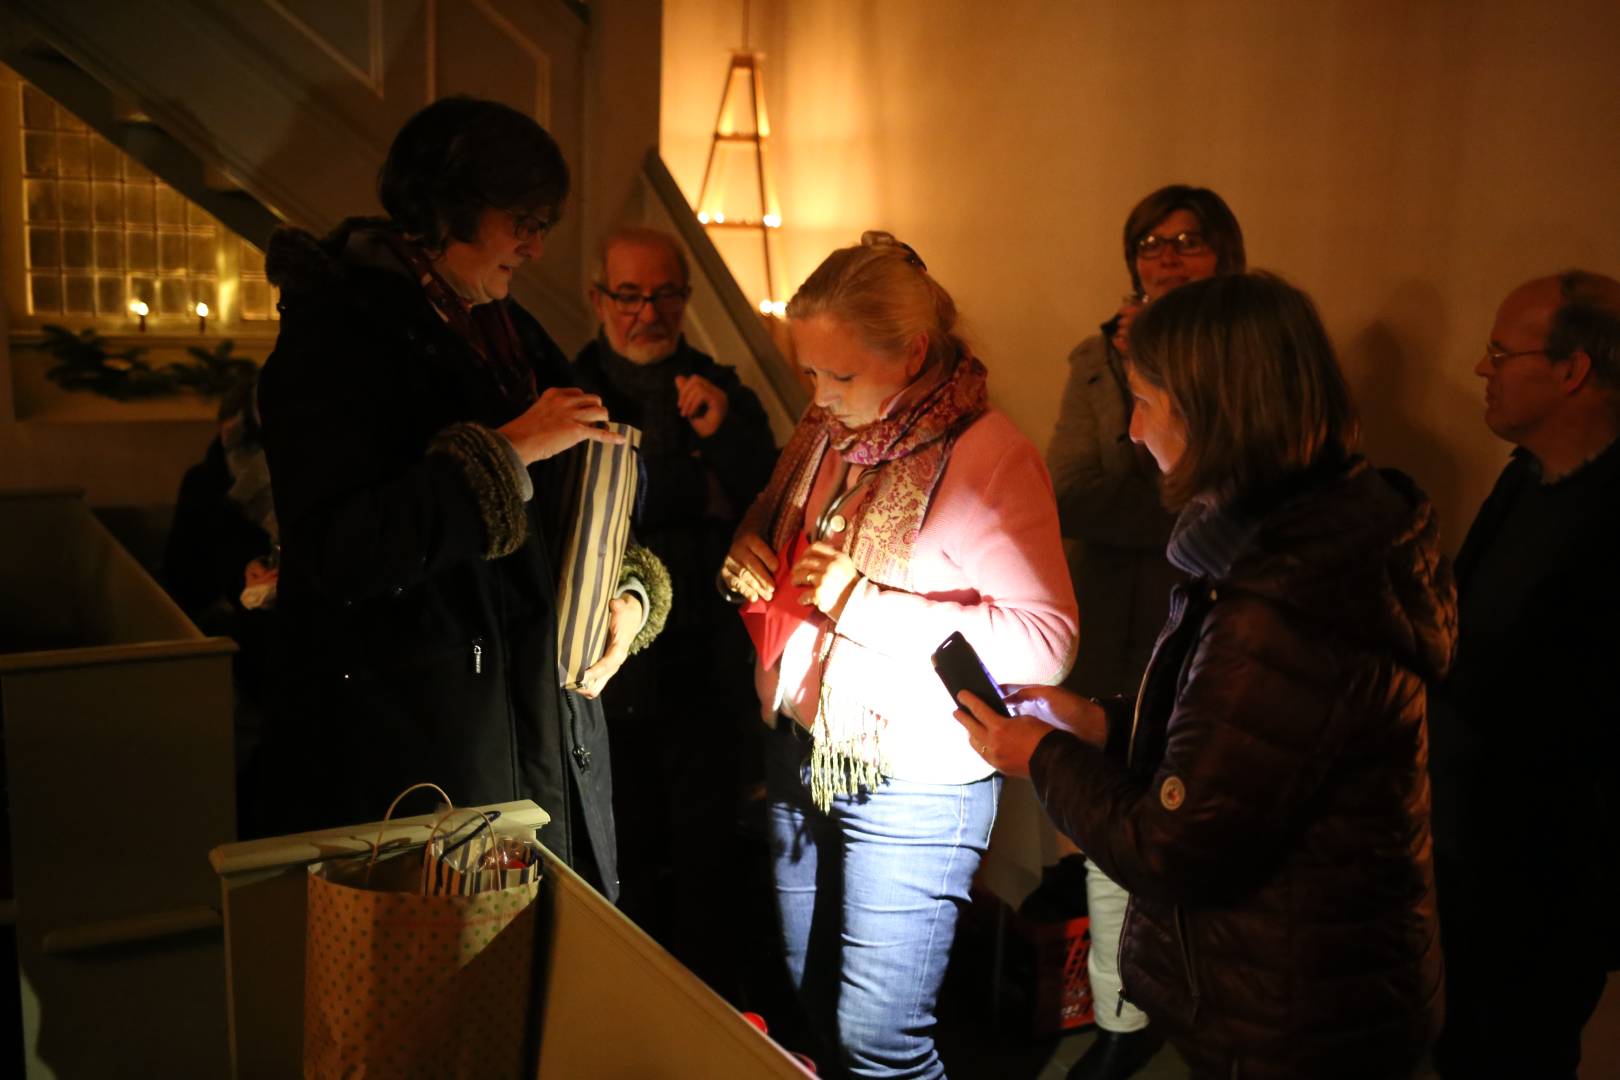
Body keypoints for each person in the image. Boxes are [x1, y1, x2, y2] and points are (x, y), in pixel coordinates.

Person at [957, 272, 1454, 1080]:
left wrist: (1042, 758)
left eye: (1145, 400)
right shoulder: (1294, 535)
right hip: (1304, 975)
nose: (1131, 429)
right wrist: (1101, 723)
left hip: (1301, 1007)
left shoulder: (1287, 599)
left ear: (1213, 413)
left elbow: (1176, 847)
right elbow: (1240, 744)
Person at [256, 97, 669, 897]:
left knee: (562, 950)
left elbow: (569, 502)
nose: (536, 246)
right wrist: (508, 452)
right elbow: (340, 551)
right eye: (523, 220)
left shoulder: (506, 329)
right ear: (450, 207)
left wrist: (624, 593)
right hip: (427, 754)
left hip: (539, 725)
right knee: (456, 959)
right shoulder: (338, 337)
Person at [721, 231, 1078, 1078]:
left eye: (841, 376)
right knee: (816, 1003)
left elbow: (1048, 640)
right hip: (802, 750)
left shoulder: (989, 455)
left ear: (914, 352)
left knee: (880, 1042)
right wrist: (748, 550)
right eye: (810, 372)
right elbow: (787, 529)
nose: (820, 397)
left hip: (912, 780)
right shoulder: (828, 431)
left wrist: (864, 603)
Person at [1045, 184, 1244, 1080]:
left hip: (1208, 619)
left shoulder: (1246, 358)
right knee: (1107, 829)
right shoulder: (1097, 357)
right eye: (1151, 242)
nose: (1167, 256)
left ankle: (1187, 1010)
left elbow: (1228, 492)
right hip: (1109, 625)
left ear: (1224, 253)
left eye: (1188, 240)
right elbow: (1071, 494)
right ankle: (1118, 1016)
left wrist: (1168, 514)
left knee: (1197, 817)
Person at [572, 226, 777, 995]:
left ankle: (705, 1014)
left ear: (685, 299)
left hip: (706, 669)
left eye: (663, 294)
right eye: (629, 294)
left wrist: (718, 446)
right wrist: (695, 485)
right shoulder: (568, 389)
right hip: (605, 668)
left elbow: (768, 503)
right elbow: (586, 509)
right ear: (599, 298)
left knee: (707, 863)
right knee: (618, 854)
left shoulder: (723, 394)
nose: (647, 312)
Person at [1427, 271, 1620, 1079]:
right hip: (1464, 853)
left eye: (1502, 353)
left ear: (1573, 370)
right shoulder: (1523, 476)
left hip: (1545, 886)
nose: (1483, 367)